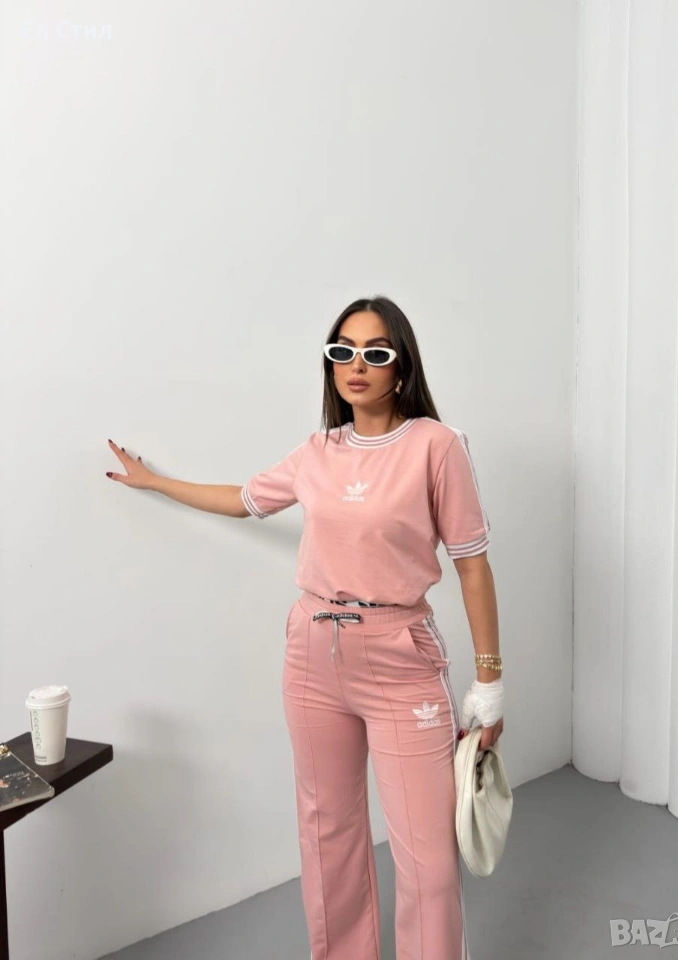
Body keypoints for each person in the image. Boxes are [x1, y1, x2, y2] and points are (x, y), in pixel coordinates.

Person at [105, 295, 504, 960]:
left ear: (401, 366)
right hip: (314, 655)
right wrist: (156, 483)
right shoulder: (318, 451)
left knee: (429, 861)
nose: (356, 365)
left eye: (375, 352)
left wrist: (489, 682)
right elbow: (242, 499)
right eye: (342, 351)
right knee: (328, 836)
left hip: (401, 657)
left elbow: (472, 566)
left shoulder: (437, 446)